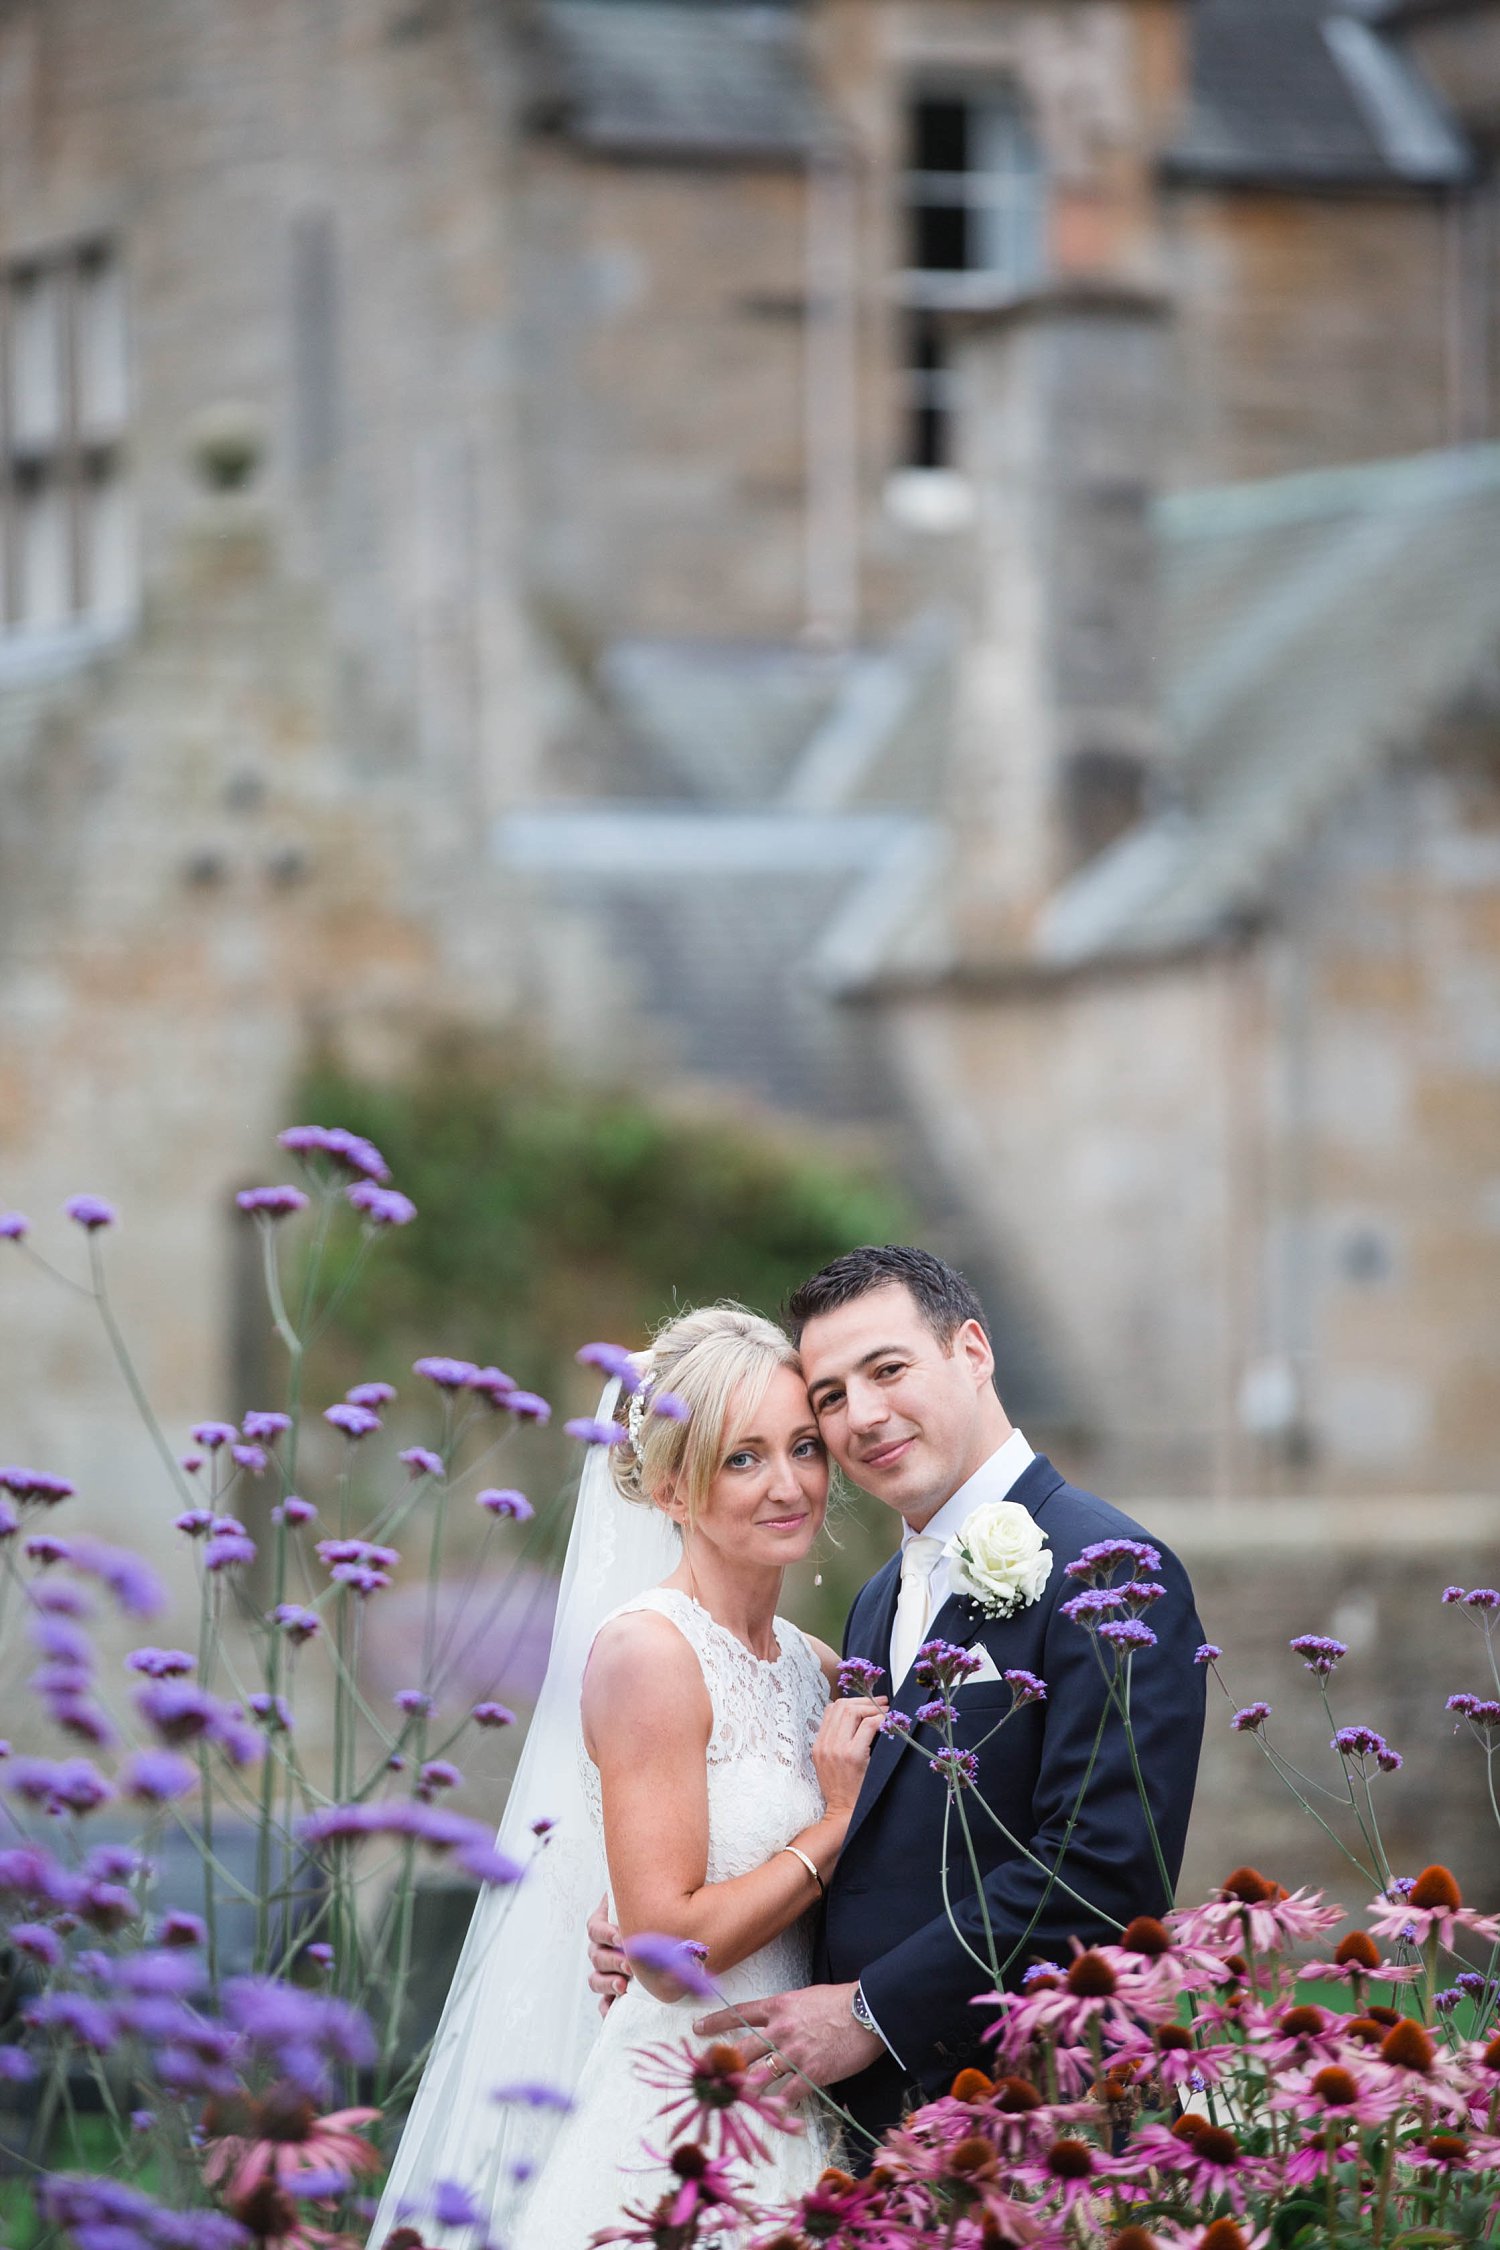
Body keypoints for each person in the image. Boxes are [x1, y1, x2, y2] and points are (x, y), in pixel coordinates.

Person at [590, 1245, 1207, 2152]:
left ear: (974, 1352)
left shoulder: (1111, 1570)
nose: (863, 1417)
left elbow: (1106, 1871)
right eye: (831, 1397)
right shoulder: (876, 1602)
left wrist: (871, 2013)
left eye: (888, 1370)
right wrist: (642, 1926)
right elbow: (863, 1834)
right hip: (851, 2124)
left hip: (1032, 2116)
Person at [369, 1306, 886, 2250]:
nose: (789, 1484)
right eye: (743, 1457)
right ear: (671, 1490)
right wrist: (836, 1823)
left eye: (804, 1447)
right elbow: (661, 1943)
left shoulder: (816, 1666)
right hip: (679, 2125)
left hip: (802, 2112)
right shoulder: (647, 1654)